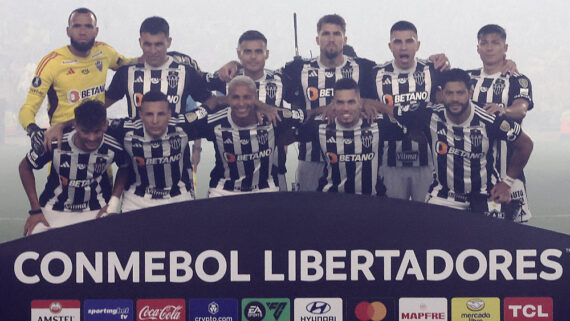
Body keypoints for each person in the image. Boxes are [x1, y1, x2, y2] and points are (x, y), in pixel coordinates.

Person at [377, 69, 533, 217]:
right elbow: (393, 111)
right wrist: (367, 103)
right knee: (433, 240)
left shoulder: (489, 119)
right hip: (444, 196)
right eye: (449, 93)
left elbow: (526, 144)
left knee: (489, 242)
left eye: (460, 93)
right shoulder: (429, 114)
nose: (455, 99)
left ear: (470, 93)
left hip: (485, 195)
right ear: (442, 94)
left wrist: (507, 182)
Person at [104, 16, 212, 170]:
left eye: (159, 44)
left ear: (169, 42)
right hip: (136, 166)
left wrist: (189, 121)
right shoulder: (125, 73)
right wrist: (65, 123)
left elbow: (212, 101)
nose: (153, 51)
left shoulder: (185, 72)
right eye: (147, 44)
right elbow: (100, 106)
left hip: (178, 167)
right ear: (140, 42)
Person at [19, 8, 135, 150]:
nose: (82, 31)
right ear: (68, 31)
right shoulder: (51, 63)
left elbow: (131, 64)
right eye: (77, 26)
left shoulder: (105, 52)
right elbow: (28, 108)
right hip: (63, 143)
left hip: (96, 141)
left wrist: (166, 56)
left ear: (96, 31)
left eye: (88, 26)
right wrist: (33, 129)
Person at [19, 101, 128, 236]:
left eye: (97, 131)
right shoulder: (54, 142)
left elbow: (125, 167)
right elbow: (25, 167)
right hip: (53, 210)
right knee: (32, 237)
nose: (92, 138)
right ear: (75, 125)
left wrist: (113, 204)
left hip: (95, 211)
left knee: (112, 240)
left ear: (105, 125)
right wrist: (35, 210)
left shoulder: (114, 146)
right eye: (85, 131)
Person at [204, 30, 294, 190]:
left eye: (258, 51)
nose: (253, 57)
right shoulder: (225, 79)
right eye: (247, 52)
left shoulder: (281, 80)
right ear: (239, 53)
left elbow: (298, 110)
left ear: (267, 54)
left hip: (273, 173)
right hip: (230, 176)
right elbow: (195, 83)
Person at [365, 21, 444, 202]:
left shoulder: (434, 70)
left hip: (428, 162)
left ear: (418, 45)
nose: (403, 47)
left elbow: (458, 89)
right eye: (397, 42)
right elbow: (357, 100)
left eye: (409, 41)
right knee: (394, 219)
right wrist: (366, 105)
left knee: (427, 218)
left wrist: (507, 64)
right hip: (390, 162)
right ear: (390, 46)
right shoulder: (375, 74)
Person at [187, 76, 303, 197]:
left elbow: (306, 118)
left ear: (256, 98)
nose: (241, 103)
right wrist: (212, 103)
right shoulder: (214, 121)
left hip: (265, 188)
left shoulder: (272, 116)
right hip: (223, 191)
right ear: (228, 99)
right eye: (235, 97)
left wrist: (293, 136)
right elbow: (182, 127)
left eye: (247, 97)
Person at [467, 24, 534, 222]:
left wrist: (503, 110)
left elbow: (521, 109)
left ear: (505, 48)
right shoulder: (468, 78)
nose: (489, 48)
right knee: (475, 232)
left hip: (509, 174)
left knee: (517, 235)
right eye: (484, 43)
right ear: (477, 48)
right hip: (475, 177)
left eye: (495, 43)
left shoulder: (518, 79)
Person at [297, 78, 401, 195]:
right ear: (333, 104)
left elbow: (407, 120)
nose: (346, 108)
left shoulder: (379, 125)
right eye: (340, 102)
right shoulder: (318, 126)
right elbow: (285, 136)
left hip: (371, 200)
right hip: (332, 199)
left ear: (360, 103)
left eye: (351, 102)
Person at [106, 91, 206, 212]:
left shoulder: (183, 126)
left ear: (169, 114)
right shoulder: (125, 130)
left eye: (161, 114)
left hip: (178, 196)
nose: (155, 120)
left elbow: (210, 107)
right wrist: (113, 204)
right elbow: (96, 123)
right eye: (149, 114)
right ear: (141, 115)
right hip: (137, 200)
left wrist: (222, 99)